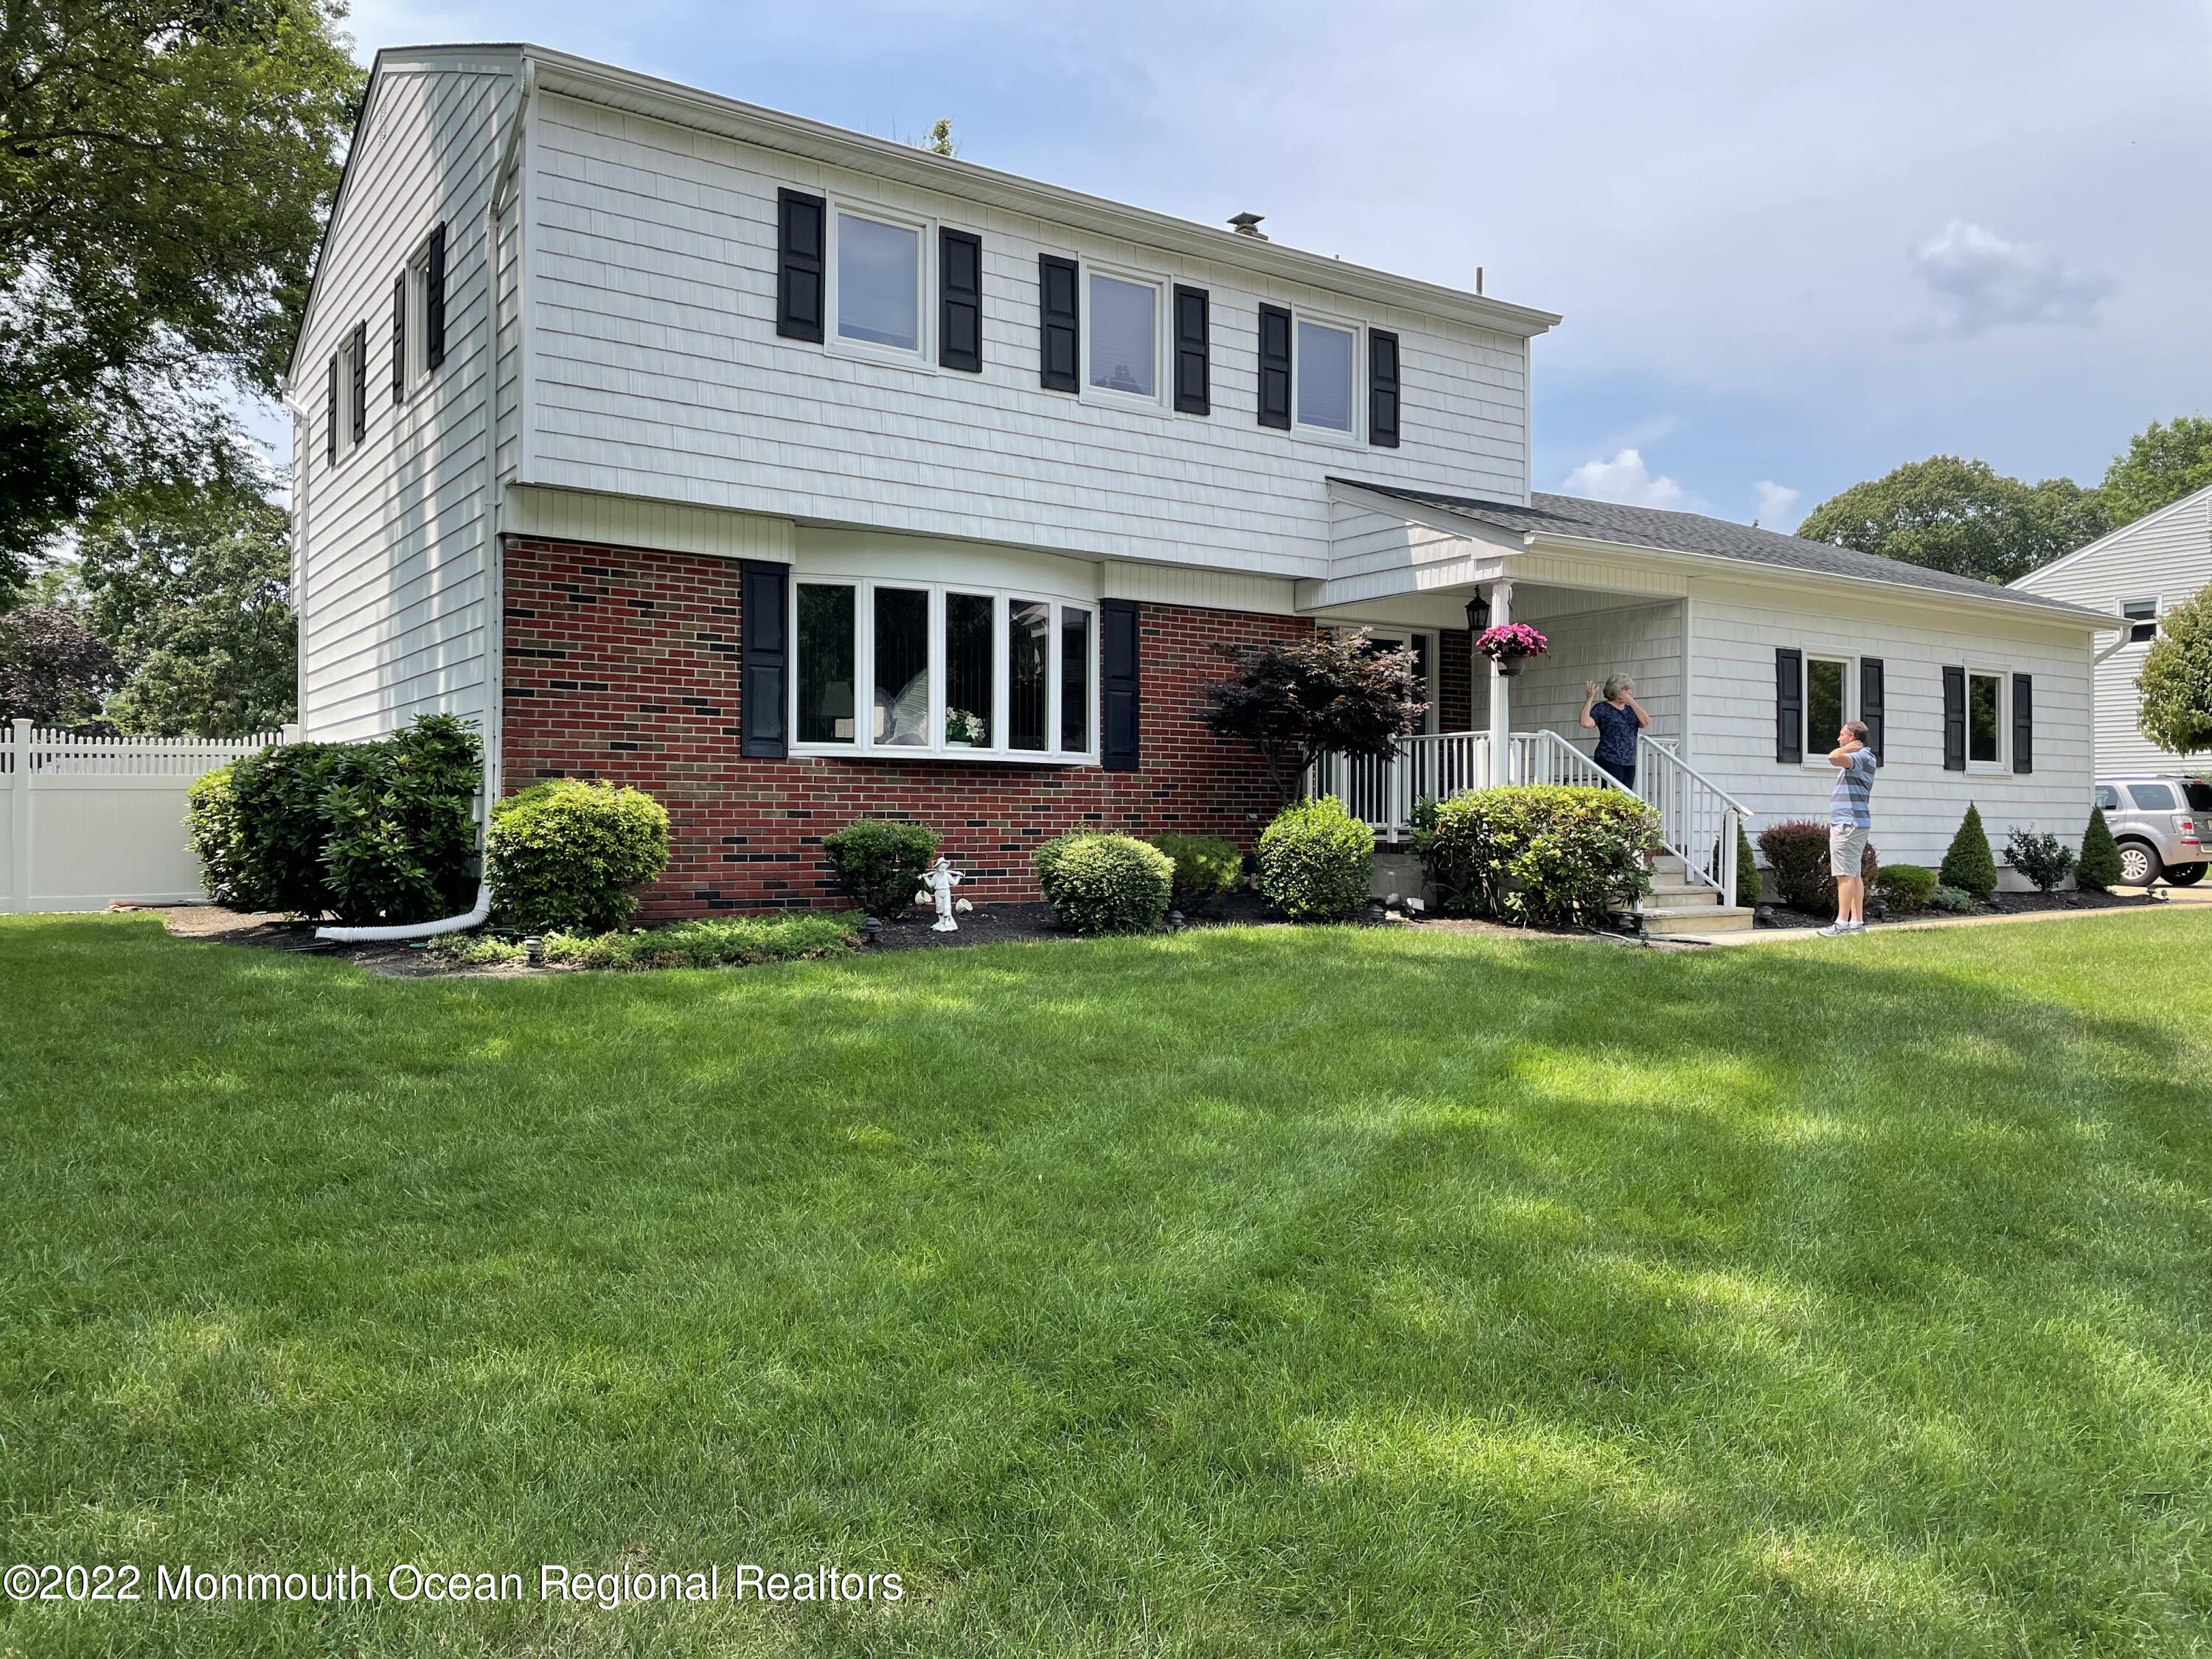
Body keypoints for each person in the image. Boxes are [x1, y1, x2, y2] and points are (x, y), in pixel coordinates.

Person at [1819, 720, 1878, 937]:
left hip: (1848, 823)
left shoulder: (1860, 757)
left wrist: (1845, 749)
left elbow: (1832, 757)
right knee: (1853, 874)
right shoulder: (1864, 757)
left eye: (1842, 734)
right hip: (1854, 823)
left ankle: (1841, 924)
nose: (1838, 738)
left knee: (1844, 874)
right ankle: (1857, 923)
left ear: (1852, 737)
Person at [1579, 675, 1649, 787]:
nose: (1630, 693)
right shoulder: (1603, 708)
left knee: (1626, 795)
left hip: (1629, 760)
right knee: (1613, 793)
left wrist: (1632, 702)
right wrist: (1589, 699)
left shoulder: (1631, 710)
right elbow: (1585, 723)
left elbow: (1645, 722)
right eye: (1626, 689)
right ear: (1617, 689)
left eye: (1630, 690)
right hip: (1608, 758)